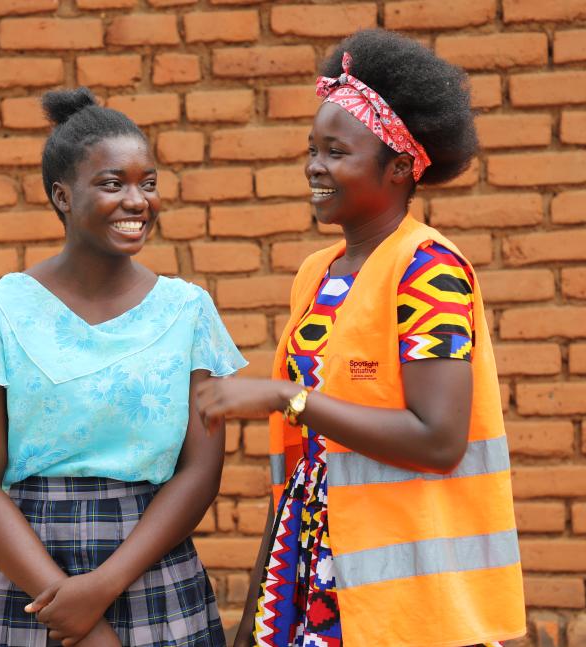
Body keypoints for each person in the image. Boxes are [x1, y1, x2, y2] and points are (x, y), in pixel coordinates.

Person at [195, 29, 526, 647]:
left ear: (399, 167)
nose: (315, 166)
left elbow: (438, 440)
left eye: (336, 152)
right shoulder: (316, 274)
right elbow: (304, 457)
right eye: (312, 149)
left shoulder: (430, 270)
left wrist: (282, 397)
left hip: (411, 598)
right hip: (313, 567)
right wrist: (258, 612)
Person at [0, 88, 247, 647]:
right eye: (113, 184)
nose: (138, 201)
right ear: (62, 196)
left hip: (153, 570)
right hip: (37, 583)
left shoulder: (189, 311)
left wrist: (103, 586)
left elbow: (201, 472)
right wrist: (69, 609)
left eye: (148, 183)